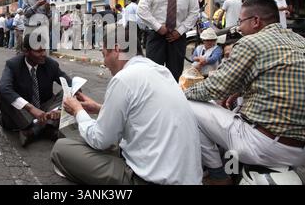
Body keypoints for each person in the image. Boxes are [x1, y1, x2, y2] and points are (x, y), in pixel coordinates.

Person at [51, 24, 202, 185]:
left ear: (116, 49)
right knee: (99, 137)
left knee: (62, 148)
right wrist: (99, 108)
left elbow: (100, 139)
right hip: (188, 178)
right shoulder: (161, 71)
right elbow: (143, 115)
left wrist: (77, 110)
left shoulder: (124, 78)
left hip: (150, 180)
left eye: (104, 54)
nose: (104, 63)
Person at [185, 0, 305, 185]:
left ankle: (219, 175)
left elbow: (214, 87)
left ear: (256, 21)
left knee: (189, 106)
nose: (239, 28)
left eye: (240, 21)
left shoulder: (251, 42)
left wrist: (179, 95)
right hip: (302, 151)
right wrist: (239, 91)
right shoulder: (301, 41)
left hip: (265, 145)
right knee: (234, 110)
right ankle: (232, 169)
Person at [0, 33, 71, 147]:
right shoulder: (13, 65)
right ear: (26, 51)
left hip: (45, 109)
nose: (43, 54)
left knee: (69, 92)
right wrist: (31, 108)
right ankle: (45, 128)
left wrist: (59, 109)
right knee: (5, 96)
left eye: (44, 50)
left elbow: (70, 85)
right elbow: (2, 88)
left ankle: (34, 131)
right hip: (22, 114)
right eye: (39, 51)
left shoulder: (51, 65)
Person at [137, 0, 199, 82]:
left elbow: (194, 12)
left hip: (177, 38)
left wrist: (179, 31)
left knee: (175, 74)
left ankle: (171, 100)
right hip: (156, 36)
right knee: (153, 73)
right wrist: (158, 27)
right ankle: (153, 100)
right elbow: (142, 10)